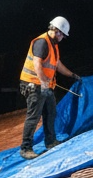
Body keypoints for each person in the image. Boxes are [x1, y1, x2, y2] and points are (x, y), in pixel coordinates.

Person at [18, 16, 80, 159]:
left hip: (44, 85)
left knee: (50, 112)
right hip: (33, 84)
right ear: (57, 31)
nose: (63, 38)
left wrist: (72, 75)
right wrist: (44, 83)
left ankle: (50, 141)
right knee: (33, 117)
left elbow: (57, 64)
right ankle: (25, 148)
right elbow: (37, 64)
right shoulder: (42, 42)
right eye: (63, 34)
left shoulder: (54, 45)